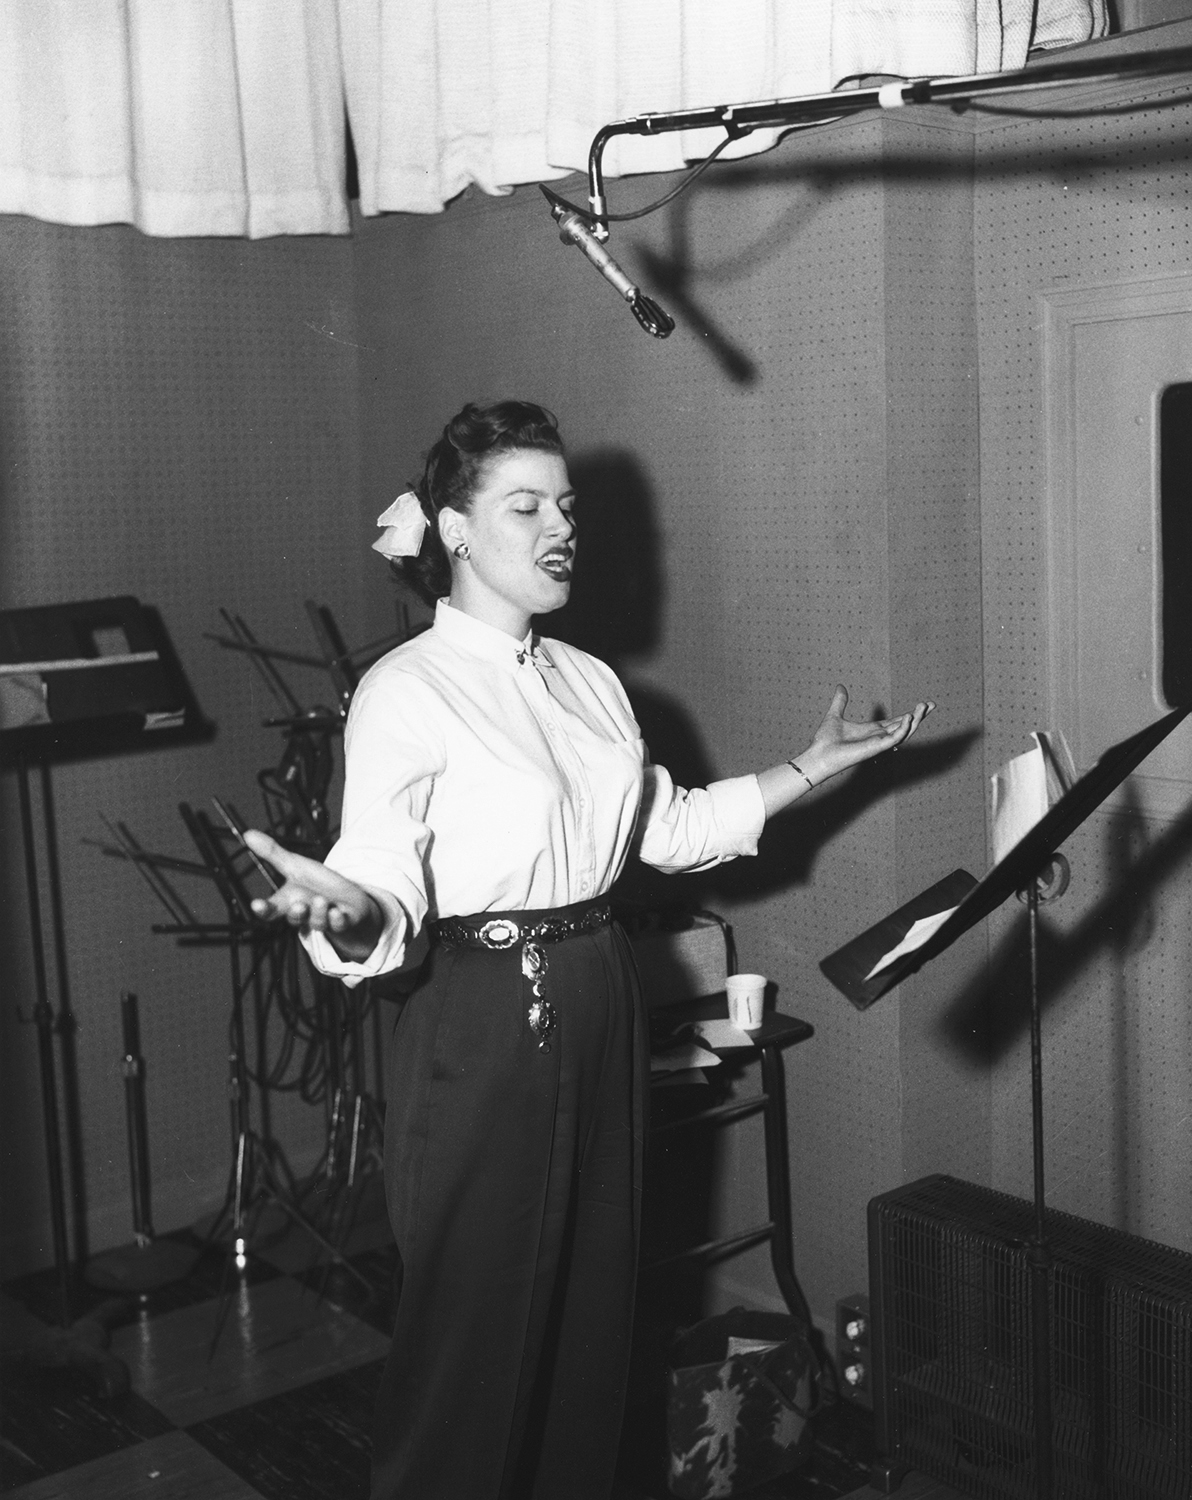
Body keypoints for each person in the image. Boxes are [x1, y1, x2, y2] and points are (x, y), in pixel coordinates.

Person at [245, 399, 933, 1500]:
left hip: (600, 987)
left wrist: (811, 770)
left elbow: (667, 830)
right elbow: (380, 875)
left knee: (592, 1329)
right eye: (524, 505)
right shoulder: (406, 690)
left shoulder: (590, 683)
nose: (559, 524)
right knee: (473, 1346)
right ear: (454, 531)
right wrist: (350, 915)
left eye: (565, 504)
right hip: (478, 1013)